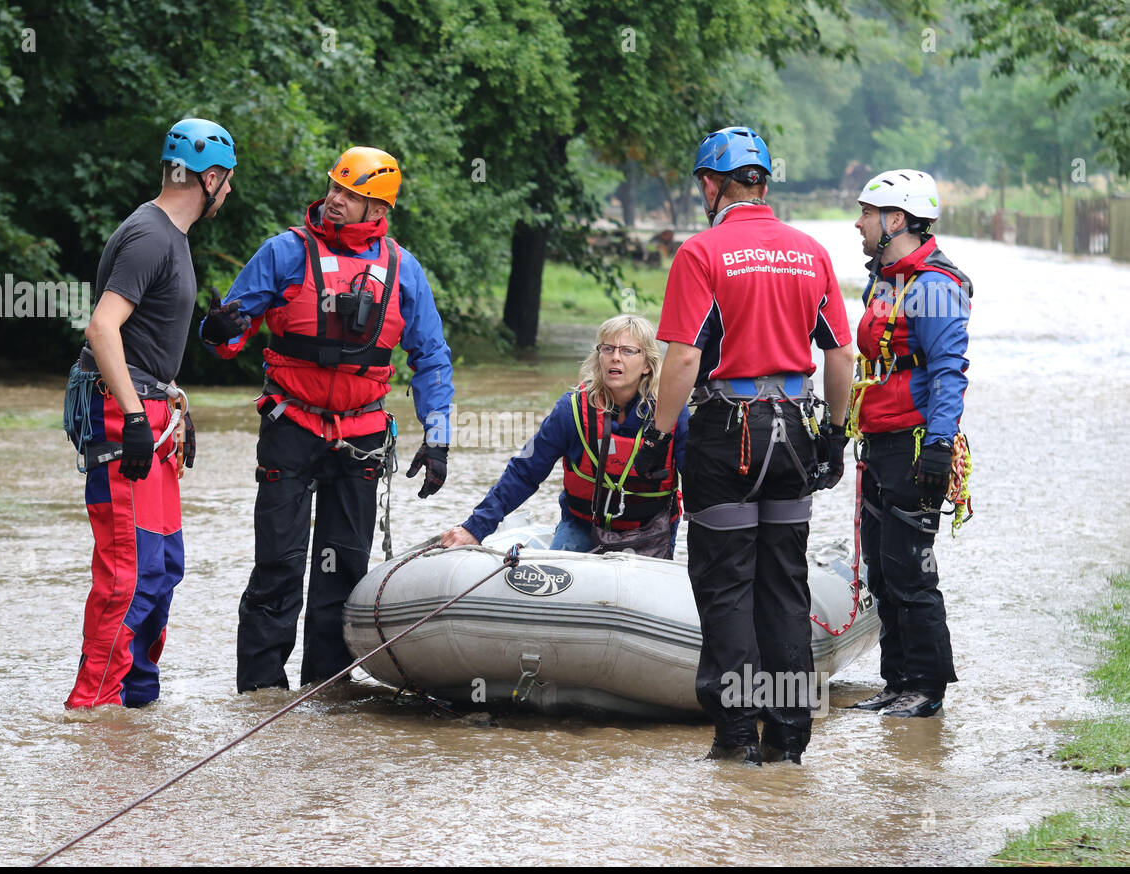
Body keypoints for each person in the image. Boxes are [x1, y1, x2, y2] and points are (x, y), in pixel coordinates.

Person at [202, 146, 455, 692]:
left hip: (361, 436)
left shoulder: (402, 269)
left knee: (343, 572)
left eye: (354, 196)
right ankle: (262, 695)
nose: (337, 201)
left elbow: (431, 358)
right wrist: (220, 329)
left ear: (378, 208)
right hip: (291, 426)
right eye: (336, 189)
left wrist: (438, 439)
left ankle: (327, 694)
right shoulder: (284, 253)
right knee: (279, 567)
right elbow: (227, 334)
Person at [640, 126, 854, 764]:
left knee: (727, 585)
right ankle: (789, 742)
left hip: (726, 436)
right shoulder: (809, 252)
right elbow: (840, 355)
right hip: (795, 433)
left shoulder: (702, 253)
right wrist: (836, 436)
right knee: (784, 589)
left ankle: (737, 740)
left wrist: (656, 435)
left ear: (712, 183)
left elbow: (682, 361)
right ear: (763, 182)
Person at [65, 117, 236, 709]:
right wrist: (138, 418)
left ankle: (136, 711)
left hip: (149, 409)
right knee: (129, 577)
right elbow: (102, 327)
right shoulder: (150, 235)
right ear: (210, 177)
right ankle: (92, 713)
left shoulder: (171, 237)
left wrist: (171, 408)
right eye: (228, 180)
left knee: (162, 568)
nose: (230, 192)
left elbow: (143, 345)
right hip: (122, 418)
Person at [847, 169, 970, 718]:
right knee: (880, 566)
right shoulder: (887, 279)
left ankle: (926, 687)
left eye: (867, 214)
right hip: (878, 445)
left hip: (915, 446)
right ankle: (897, 681)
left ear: (896, 219)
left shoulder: (934, 286)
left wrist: (939, 447)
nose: (858, 223)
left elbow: (948, 371)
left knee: (911, 570)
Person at [441, 314, 688, 556]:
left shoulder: (671, 414)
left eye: (627, 351)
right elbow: (525, 472)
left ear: (647, 364)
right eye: (608, 348)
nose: (615, 357)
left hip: (650, 530)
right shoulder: (571, 411)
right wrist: (474, 528)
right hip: (583, 525)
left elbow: (698, 480)